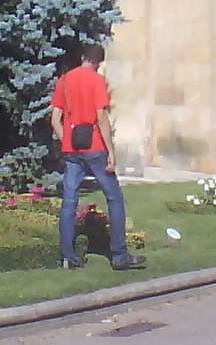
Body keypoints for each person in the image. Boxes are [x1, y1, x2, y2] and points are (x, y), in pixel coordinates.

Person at [50, 43, 145, 270]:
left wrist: (66, 142)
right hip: (94, 147)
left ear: (82, 57)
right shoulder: (97, 81)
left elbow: (55, 119)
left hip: (73, 151)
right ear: (99, 63)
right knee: (114, 197)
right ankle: (119, 255)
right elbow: (101, 117)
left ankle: (68, 256)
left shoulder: (64, 80)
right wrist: (111, 152)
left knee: (69, 202)